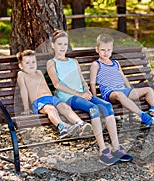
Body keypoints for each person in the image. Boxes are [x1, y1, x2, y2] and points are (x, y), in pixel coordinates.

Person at [46, 30, 133, 165]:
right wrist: (79, 94)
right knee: (93, 108)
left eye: (65, 44)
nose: (62, 47)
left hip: (82, 94)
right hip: (68, 97)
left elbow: (82, 80)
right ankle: (103, 151)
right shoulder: (52, 63)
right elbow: (57, 84)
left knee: (107, 106)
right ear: (52, 45)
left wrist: (86, 90)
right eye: (59, 44)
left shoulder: (73, 61)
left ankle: (116, 147)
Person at [90, 34, 154, 127]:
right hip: (110, 94)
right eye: (103, 50)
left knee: (148, 90)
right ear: (97, 50)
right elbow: (92, 83)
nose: (106, 52)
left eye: (108, 50)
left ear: (112, 50)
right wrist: (95, 99)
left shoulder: (116, 63)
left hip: (124, 91)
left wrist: (130, 90)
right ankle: (142, 115)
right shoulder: (96, 64)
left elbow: (123, 77)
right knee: (119, 94)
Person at [16, 49, 92, 139]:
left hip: (51, 98)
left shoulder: (39, 73)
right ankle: (62, 127)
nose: (31, 64)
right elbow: (23, 90)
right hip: (39, 101)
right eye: (27, 63)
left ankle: (80, 124)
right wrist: (26, 108)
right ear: (21, 65)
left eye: (33, 62)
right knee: (51, 109)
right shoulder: (21, 75)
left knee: (65, 107)